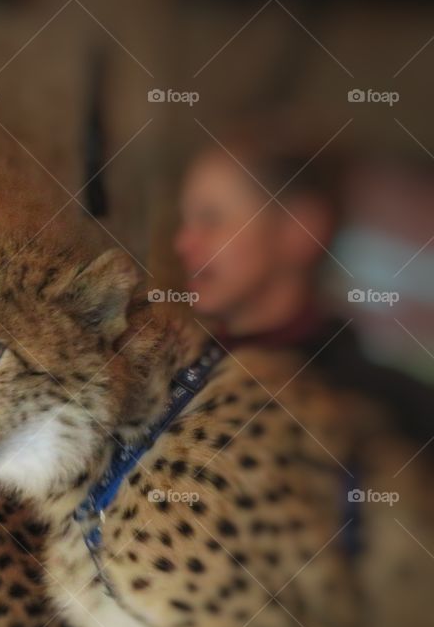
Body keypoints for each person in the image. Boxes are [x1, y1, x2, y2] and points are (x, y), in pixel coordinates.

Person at [174, 136, 433, 450]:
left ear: (299, 229)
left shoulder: (389, 410)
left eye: (212, 219)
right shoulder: (174, 376)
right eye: (185, 221)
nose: (184, 243)